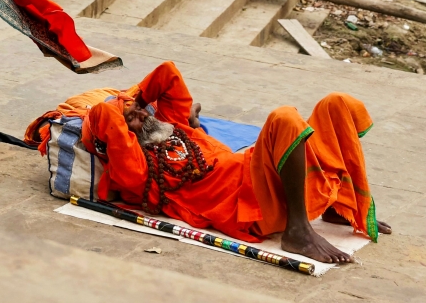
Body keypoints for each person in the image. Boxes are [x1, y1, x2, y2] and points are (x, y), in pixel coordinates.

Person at [82, 61, 391, 264]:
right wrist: (117, 108)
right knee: (285, 118)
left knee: (336, 104)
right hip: (248, 204)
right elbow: (104, 118)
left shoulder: (174, 126)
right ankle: (297, 231)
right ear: (117, 134)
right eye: (130, 120)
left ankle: (339, 206)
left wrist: (134, 97)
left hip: (260, 174)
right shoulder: (135, 168)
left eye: (138, 109)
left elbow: (168, 72)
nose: (139, 115)